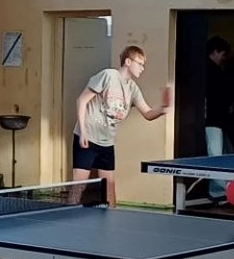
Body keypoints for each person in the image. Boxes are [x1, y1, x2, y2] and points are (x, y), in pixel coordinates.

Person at [72, 45, 170, 204]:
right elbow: (81, 100)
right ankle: (67, 213)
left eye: (143, 65)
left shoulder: (133, 89)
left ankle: (112, 216)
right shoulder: (108, 75)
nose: (142, 68)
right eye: (139, 63)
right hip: (87, 138)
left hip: (107, 142)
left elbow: (147, 113)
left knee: (110, 187)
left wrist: (163, 109)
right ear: (128, 62)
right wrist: (83, 131)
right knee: (79, 186)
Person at [200, 36, 234, 203]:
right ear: (215, 52)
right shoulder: (211, 72)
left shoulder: (212, 70)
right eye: (223, 54)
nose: (224, 58)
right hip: (213, 120)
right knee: (216, 157)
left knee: (221, 155)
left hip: (218, 121)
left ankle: (220, 190)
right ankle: (218, 191)